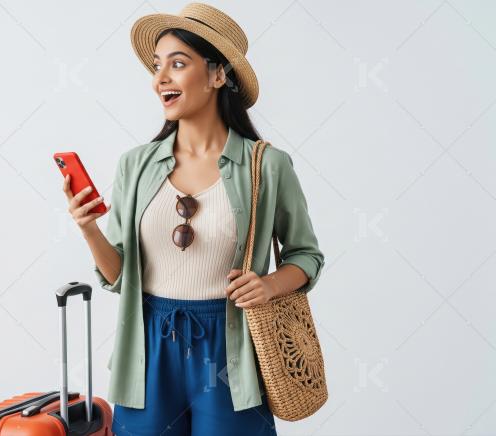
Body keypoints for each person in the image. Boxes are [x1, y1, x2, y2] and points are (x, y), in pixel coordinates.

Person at [63, 3, 325, 435]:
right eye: (156, 65)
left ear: (218, 75)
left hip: (231, 346)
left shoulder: (267, 166)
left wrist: (269, 285)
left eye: (178, 64)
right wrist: (88, 228)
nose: (159, 78)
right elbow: (117, 277)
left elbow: (307, 256)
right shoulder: (136, 165)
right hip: (148, 348)